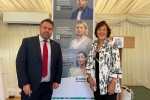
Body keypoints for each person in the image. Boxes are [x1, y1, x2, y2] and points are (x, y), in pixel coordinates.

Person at [16, 19, 63, 100]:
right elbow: (20, 63)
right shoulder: (27, 42)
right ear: (40, 28)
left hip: (48, 87)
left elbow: (59, 64)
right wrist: (24, 83)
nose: (47, 30)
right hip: (30, 86)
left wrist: (56, 80)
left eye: (50, 29)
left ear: (52, 31)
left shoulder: (56, 46)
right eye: (45, 28)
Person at [86, 21, 122, 100]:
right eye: (99, 29)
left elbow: (116, 65)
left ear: (107, 32)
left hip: (109, 82)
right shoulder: (94, 45)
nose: (101, 32)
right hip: (96, 83)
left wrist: (113, 82)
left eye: (104, 29)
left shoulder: (113, 44)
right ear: (96, 31)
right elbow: (89, 64)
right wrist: (90, 78)